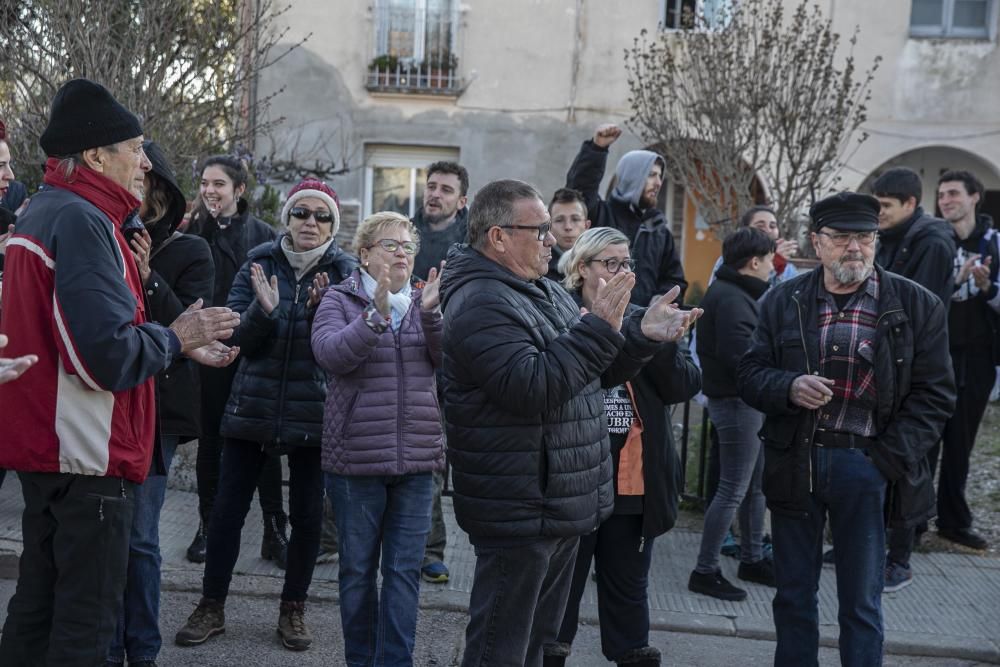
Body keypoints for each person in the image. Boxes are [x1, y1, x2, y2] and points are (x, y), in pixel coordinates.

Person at [0, 77, 240, 667]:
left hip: (57, 451)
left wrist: (176, 346)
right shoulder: (82, 220)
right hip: (88, 454)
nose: (143, 160)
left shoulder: (51, 211)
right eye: (133, 147)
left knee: (38, 612)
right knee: (84, 625)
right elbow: (105, 355)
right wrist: (178, 336)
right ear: (95, 156)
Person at [439, 179, 700, 666]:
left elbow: (595, 373)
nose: (551, 239)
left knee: (537, 644)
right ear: (497, 237)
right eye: (539, 230)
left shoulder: (541, 290)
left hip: (559, 500)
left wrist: (642, 336)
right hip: (519, 505)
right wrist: (599, 326)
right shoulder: (481, 301)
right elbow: (533, 387)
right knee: (501, 647)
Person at [737, 192, 955, 667]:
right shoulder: (782, 300)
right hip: (797, 460)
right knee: (793, 596)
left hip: (868, 464)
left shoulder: (917, 305)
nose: (854, 248)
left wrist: (885, 461)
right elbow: (749, 374)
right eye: (841, 238)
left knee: (861, 603)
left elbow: (936, 396)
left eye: (865, 237)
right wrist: (789, 385)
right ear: (818, 242)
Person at [175, 178, 358, 652]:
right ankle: (212, 603)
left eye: (321, 216)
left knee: (307, 517)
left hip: (312, 412)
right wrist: (263, 311)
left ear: (333, 225)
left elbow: (345, 352)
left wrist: (322, 314)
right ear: (288, 219)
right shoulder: (259, 262)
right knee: (227, 512)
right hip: (251, 405)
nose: (310, 223)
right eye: (302, 213)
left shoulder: (345, 271)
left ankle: (292, 609)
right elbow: (235, 340)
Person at [544, 227, 701, 667]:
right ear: (581, 268)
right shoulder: (558, 313)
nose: (621, 272)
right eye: (610, 263)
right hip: (574, 480)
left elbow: (684, 386)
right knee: (560, 590)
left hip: (631, 482)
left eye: (626, 263)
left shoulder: (644, 315)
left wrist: (660, 343)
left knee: (629, 588)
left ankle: (631, 653)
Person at [312, 211, 446, 664]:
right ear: (365, 254)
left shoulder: (426, 301)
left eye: (408, 246)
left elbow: (449, 361)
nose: (402, 253)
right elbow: (330, 355)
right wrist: (374, 317)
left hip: (416, 461)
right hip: (357, 461)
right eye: (391, 245)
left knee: (404, 572)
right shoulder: (338, 298)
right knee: (356, 572)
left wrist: (432, 316)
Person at [106, 140, 216, 667]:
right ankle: (107, 645)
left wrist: (148, 275)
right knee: (109, 530)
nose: (136, 190)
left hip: (161, 404)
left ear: (161, 192)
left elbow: (190, 327)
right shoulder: (103, 234)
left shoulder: (191, 250)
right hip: (110, 396)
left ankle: (142, 649)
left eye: (146, 183)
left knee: (141, 535)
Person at [185, 155, 286, 566]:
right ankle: (207, 526)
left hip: (252, 352)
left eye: (219, 184)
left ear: (239, 190)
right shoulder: (192, 231)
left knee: (262, 444)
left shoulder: (263, 236)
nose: (210, 190)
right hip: (207, 352)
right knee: (211, 441)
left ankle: (275, 530)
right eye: (205, 183)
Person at [869, 166, 956, 590]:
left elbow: (921, 307)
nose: (878, 213)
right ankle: (870, 544)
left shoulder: (933, 242)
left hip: (912, 365)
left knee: (907, 461)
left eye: (885, 206)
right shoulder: (890, 237)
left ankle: (899, 558)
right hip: (885, 360)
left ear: (909, 204)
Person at [690, 227, 777, 602]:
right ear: (753, 262)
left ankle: (752, 558)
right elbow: (742, 357)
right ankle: (705, 570)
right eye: (770, 259)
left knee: (755, 487)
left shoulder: (737, 293)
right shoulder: (731, 298)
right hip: (737, 404)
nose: (773, 267)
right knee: (732, 489)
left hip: (746, 403)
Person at [411, 160, 470, 584]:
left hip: (454, 364)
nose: (435, 194)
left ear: (461, 200)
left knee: (434, 459)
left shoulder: (470, 246)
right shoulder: (402, 234)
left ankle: (431, 549)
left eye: (446, 190)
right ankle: (332, 539)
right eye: (431, 186)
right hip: (401, 356)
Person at [936, 170, 996, 551]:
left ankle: (953, 521)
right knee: (923, 442)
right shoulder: (934, 241)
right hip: (936, 355)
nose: (946, 200)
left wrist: (989, 288)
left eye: (954, 193)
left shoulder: (995, 244)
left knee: (960, 442)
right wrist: (956, 281)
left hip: (977, 356)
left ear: (975, 197)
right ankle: (907, 521)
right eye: (941, 194)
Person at [565, 123, 686, 306]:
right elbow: (580, 189)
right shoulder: (600, 215)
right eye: (651, 175)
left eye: (660, 176)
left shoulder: (659, 230)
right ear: (632, 176)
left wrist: (660, 301)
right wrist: (597, 149)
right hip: (596, 319)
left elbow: (674, 279)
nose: (658, 183)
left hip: (641, 328)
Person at [708, 205, 798, 286]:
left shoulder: (788, 268)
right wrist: (773, 264)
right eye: (760, 226)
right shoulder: (730, 259)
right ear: (746, 230)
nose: (768, 230)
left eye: (772, 226)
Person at [546, 187, 591, 282]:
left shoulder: (599, 263)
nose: (568, 227)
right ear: (549, 227)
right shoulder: (540, 268)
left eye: (575, 219)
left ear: (586, 226)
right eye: (559, 220)